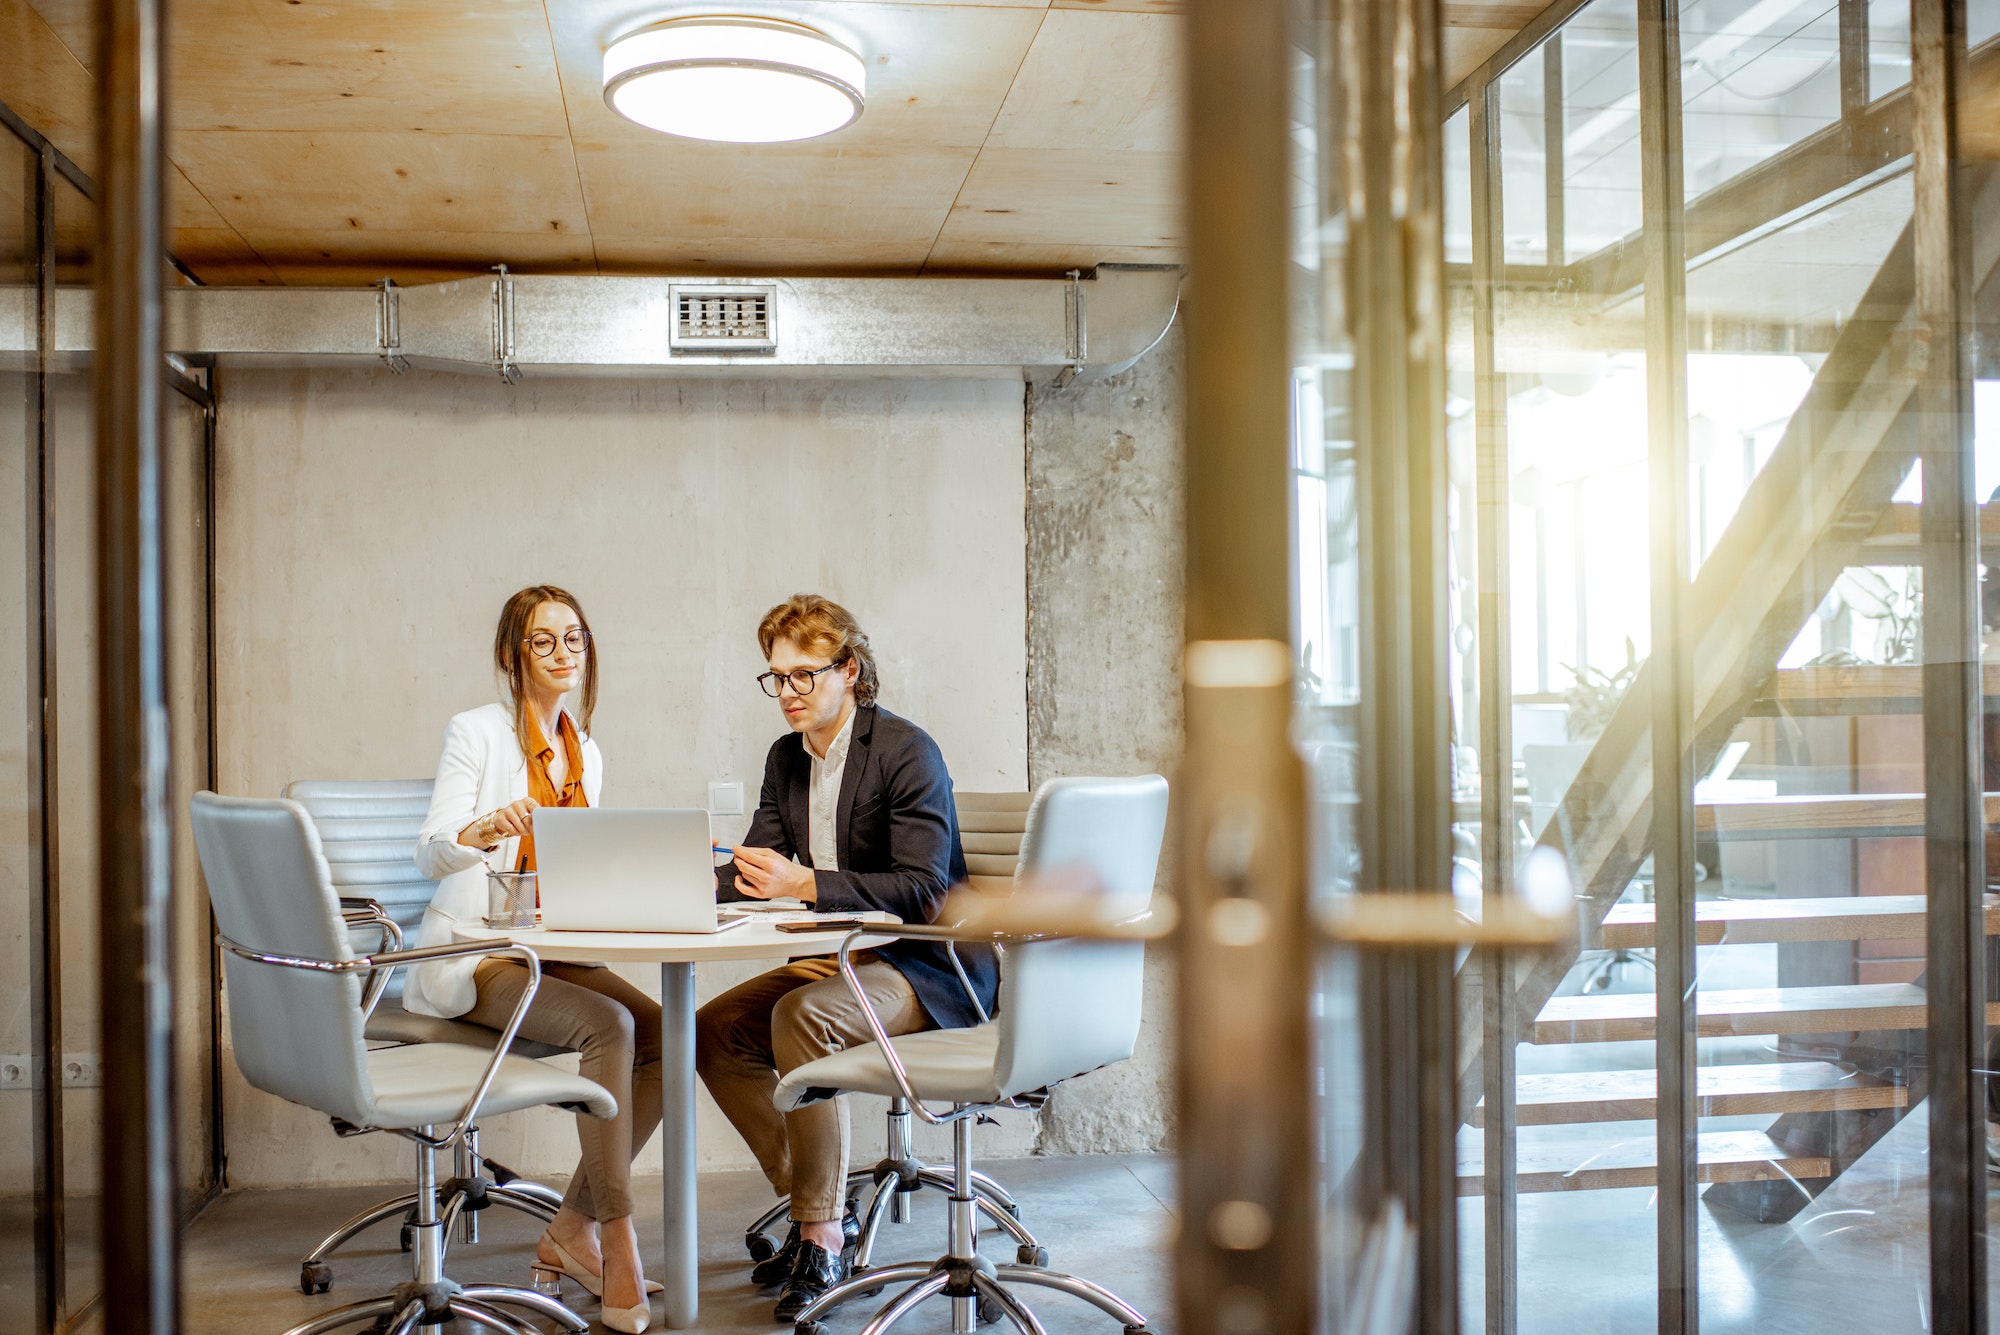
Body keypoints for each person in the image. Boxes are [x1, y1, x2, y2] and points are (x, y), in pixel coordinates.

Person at [696, 594, 998, 1322]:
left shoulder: (904, 750)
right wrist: (667, 883)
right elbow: (755, 867)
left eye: (805, 675)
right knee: (713, 1031)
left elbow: (925, 889)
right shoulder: (785, 759)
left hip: (928, 964)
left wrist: (807, 884)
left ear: (849, 669)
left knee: (802, 1017)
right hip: (844, 959)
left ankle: (823, 1232)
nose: (789, 693)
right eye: (777, 678)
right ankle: (814, 1203)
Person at [409, 585, 661, 1334]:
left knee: (668, 1033)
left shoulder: (589, 751)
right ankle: (615, 1237)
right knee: (611, 1027)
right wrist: (484, 827)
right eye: (545, 640)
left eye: (575, 638)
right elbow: (429, 851)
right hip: (478, 951)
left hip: (551, 945)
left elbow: (574, 871)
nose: (564, 654)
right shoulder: (477, 732)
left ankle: (570, 1225)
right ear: (513, 655)